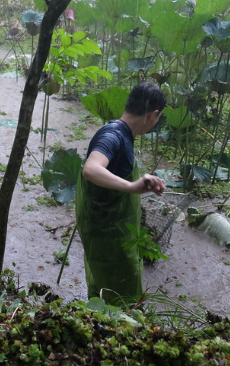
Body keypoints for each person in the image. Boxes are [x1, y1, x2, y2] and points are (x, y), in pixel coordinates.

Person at [76, 81, 166, 303]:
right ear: (153, 115)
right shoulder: (113, 136)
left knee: (108, 287)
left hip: (112, 229)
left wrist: (143, 182)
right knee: (121, 291)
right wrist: (131, 186)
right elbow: (91, 169)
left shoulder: (123, 134)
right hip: (107, 233)